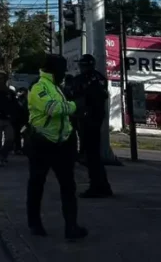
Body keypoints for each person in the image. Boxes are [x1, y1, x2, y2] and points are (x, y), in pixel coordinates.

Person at [26, 54, 87, 241]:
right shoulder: (39, 87)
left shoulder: (56, 87)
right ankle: (35, 224)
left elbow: (61, 109)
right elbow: (53, 109)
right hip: (42, 142)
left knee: (68, 186)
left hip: (63, 142)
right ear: (54, 70)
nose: (64, 74)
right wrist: (75, 105)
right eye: (62, 70)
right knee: (37, 183)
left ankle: (71, 227)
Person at [73, 54, 113, 198]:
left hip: (88, 118)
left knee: (91, 155)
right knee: (91, 154)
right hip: (95, 118)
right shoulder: (100, 78)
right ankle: (101, 185)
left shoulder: (85, 80)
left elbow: (76, 94)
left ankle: (97, 186)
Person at [13, 88, 30, 155]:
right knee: (18, 135)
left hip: (24, 122)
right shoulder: (16, 100)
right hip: (18, 121)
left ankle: (24, 149)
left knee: (25, 135)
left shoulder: (27, 101)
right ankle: (18, 149)